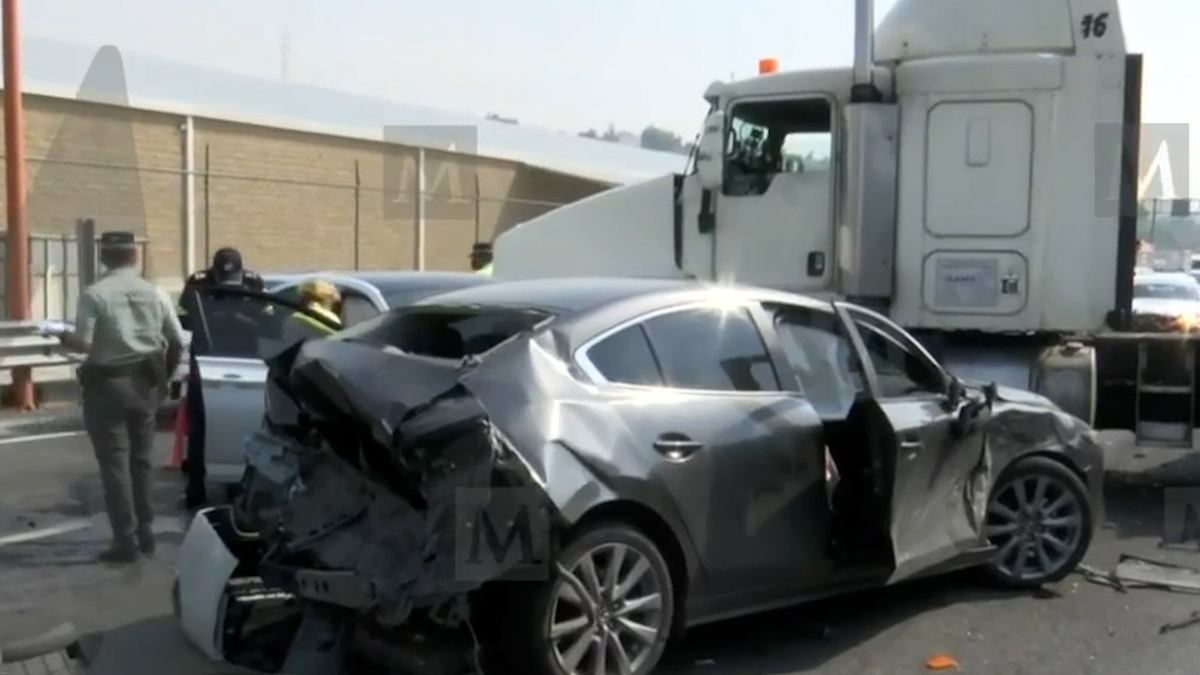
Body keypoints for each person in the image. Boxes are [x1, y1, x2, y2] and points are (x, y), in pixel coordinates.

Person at [58, 231, 186, 563]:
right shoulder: (155, 292)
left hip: (107, 385)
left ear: (104, 258)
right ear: (135, 257)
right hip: (145, 382)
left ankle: (124, 539)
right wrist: (164, 380)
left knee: (114, 462)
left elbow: (84, 343)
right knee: (142, 461)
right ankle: (146, 531)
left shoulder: (95, 294)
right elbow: (176, 340)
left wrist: (63, 338)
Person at [176, 247, 264, 509]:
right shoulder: (198, 283)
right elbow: (183, 318)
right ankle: (196, 488)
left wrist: (238, 318)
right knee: (199, 428)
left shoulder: (253, 283)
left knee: (249, 428)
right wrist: (219, 318)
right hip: (207, 361)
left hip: (247, 361)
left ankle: (240, 484)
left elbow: (265, 319)